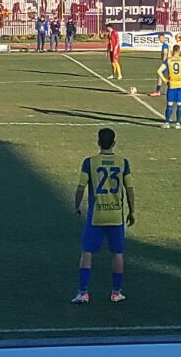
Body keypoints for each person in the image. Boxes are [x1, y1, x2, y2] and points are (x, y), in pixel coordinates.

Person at [71, 127, 135, 305]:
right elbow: (129, 189)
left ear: (98, 143)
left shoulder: (89, 162)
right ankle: (116, 293)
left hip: (96, 215)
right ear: (114, 143)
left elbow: (81, 187)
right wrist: (132, 211)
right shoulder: (123, 162)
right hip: (116, 215)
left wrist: (76, 207)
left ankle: (83, 292)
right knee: (118, 253)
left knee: (87, 252)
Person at [158, 44, 181, 129]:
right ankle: (178, 123)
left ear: (172, 51)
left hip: (172, 85)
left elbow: (159, 71)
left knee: (170, 104)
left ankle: (167, 123)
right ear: (179, 51)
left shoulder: (168, 60)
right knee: (180, 104)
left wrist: (164, 80)